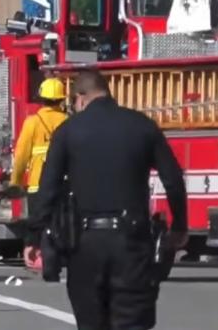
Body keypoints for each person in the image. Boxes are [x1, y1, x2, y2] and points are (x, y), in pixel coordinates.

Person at [26, 69, 188, 330]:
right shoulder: (142, 125)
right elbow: (172, 179)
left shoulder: (68, 131)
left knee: (91, 322)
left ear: (80, 98)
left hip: (84, 243)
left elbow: (48, 188)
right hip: (133, 241)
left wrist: (34, 238)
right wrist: (180, 225)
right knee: (132, 321)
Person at [8, 77, 68, 269]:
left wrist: (15, 183)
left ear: (41, 98)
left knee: (38, 221)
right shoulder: (69, 121)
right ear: (61, 99)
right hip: (64, 183)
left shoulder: (32, 122)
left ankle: (37, 255)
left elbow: (21, 155)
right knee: (61, 220)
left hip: (37, 183)